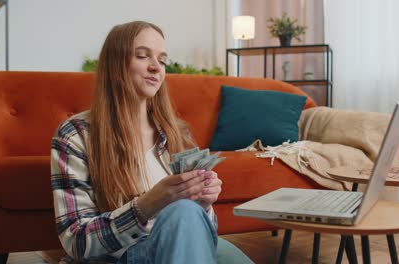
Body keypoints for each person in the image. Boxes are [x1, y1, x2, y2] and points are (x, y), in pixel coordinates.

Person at [51, 21, 253, 264]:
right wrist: (145, 207)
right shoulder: (76, 135)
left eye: (162, 60)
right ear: (115, 64)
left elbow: (197, 233)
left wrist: (203, 205)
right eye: (142, 56)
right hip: (120, 257)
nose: (156, 68)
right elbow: (75, 241)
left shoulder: (176, 133)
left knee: (216, 241)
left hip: (180, 250)